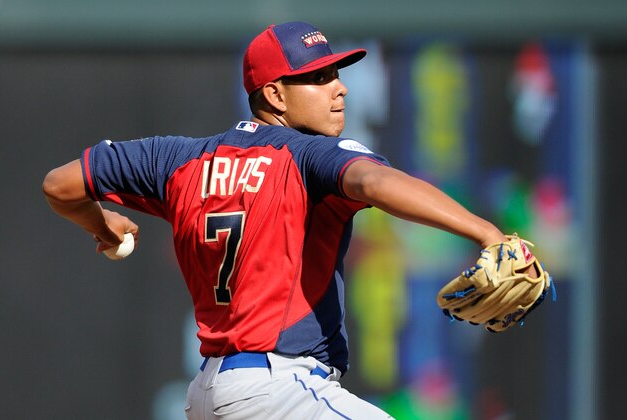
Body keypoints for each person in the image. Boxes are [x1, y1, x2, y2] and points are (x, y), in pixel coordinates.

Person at [43, 21, 509, 419]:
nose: (340, 87)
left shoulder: (176, 159)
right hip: (278, 389)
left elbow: (59, 186)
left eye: (336, 73)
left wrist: (102, 226)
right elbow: (372, 183)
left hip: (209, 393)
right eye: (319, 77)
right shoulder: (308, 155)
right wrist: (485, 232)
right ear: (274, 95)